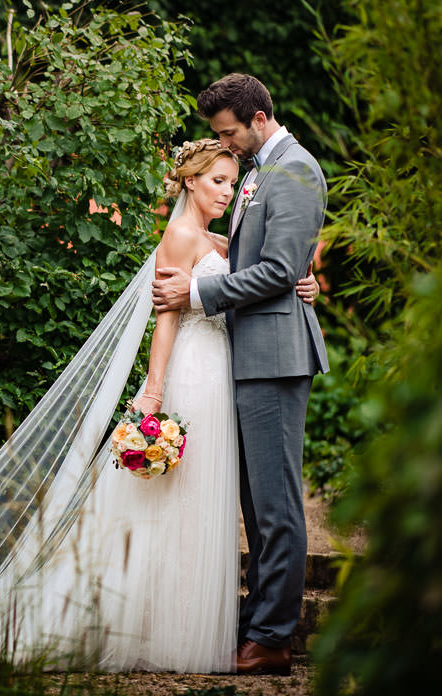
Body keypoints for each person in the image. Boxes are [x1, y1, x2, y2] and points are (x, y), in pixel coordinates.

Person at [0, 137, 319, 679]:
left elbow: (259, 273)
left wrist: (299, 284)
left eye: (231, 182)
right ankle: (150, 624)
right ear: (190, 180)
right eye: (217, 180)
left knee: (202, 500)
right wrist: (153, 389)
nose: (228, 190)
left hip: (221, 376)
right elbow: (164, 322)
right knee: (172, 500)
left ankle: (192, 619)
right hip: (191, 374)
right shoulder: (177, 237)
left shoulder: (217, 239)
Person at [151, 73, 329, 675]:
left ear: (257, 119)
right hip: (249, 353)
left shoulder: (296, 170)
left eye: (228, 131)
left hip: (277, 356)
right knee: (256, 505)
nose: (225, 142)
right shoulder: (257, 171)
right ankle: (256, 624)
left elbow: (279, 267)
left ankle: (274, 637)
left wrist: (198, 293)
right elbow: (264, 258)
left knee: (275, 504)